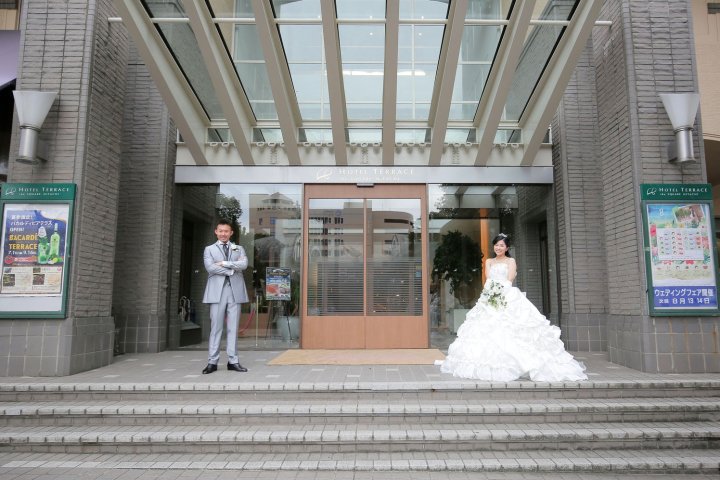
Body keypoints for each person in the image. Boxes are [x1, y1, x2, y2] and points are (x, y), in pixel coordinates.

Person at [438, 233, 588, 382]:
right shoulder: (489, 261)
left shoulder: (511, 261)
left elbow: (509, 279)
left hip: (507, 296)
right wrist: (490, 294)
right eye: (496, 245)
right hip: (489, 296)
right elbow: (488, 279)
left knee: (512, 328)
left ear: (507, 247)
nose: (498, 247)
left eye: (502, 245)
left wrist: (499, 293)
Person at [201, 219, 250, 374]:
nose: (223, 234)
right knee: (216, 327)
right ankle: (212, 362)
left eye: (226, 231)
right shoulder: (209, 249)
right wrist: (231, 269)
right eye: (220, 231)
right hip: (217, 292)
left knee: (233, 328)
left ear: (231, 233)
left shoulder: (238, 248)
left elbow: (244, 264)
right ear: (216, 231)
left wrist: (224, 263)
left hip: (235, 291)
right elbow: (210, 268)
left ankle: (233, 361)